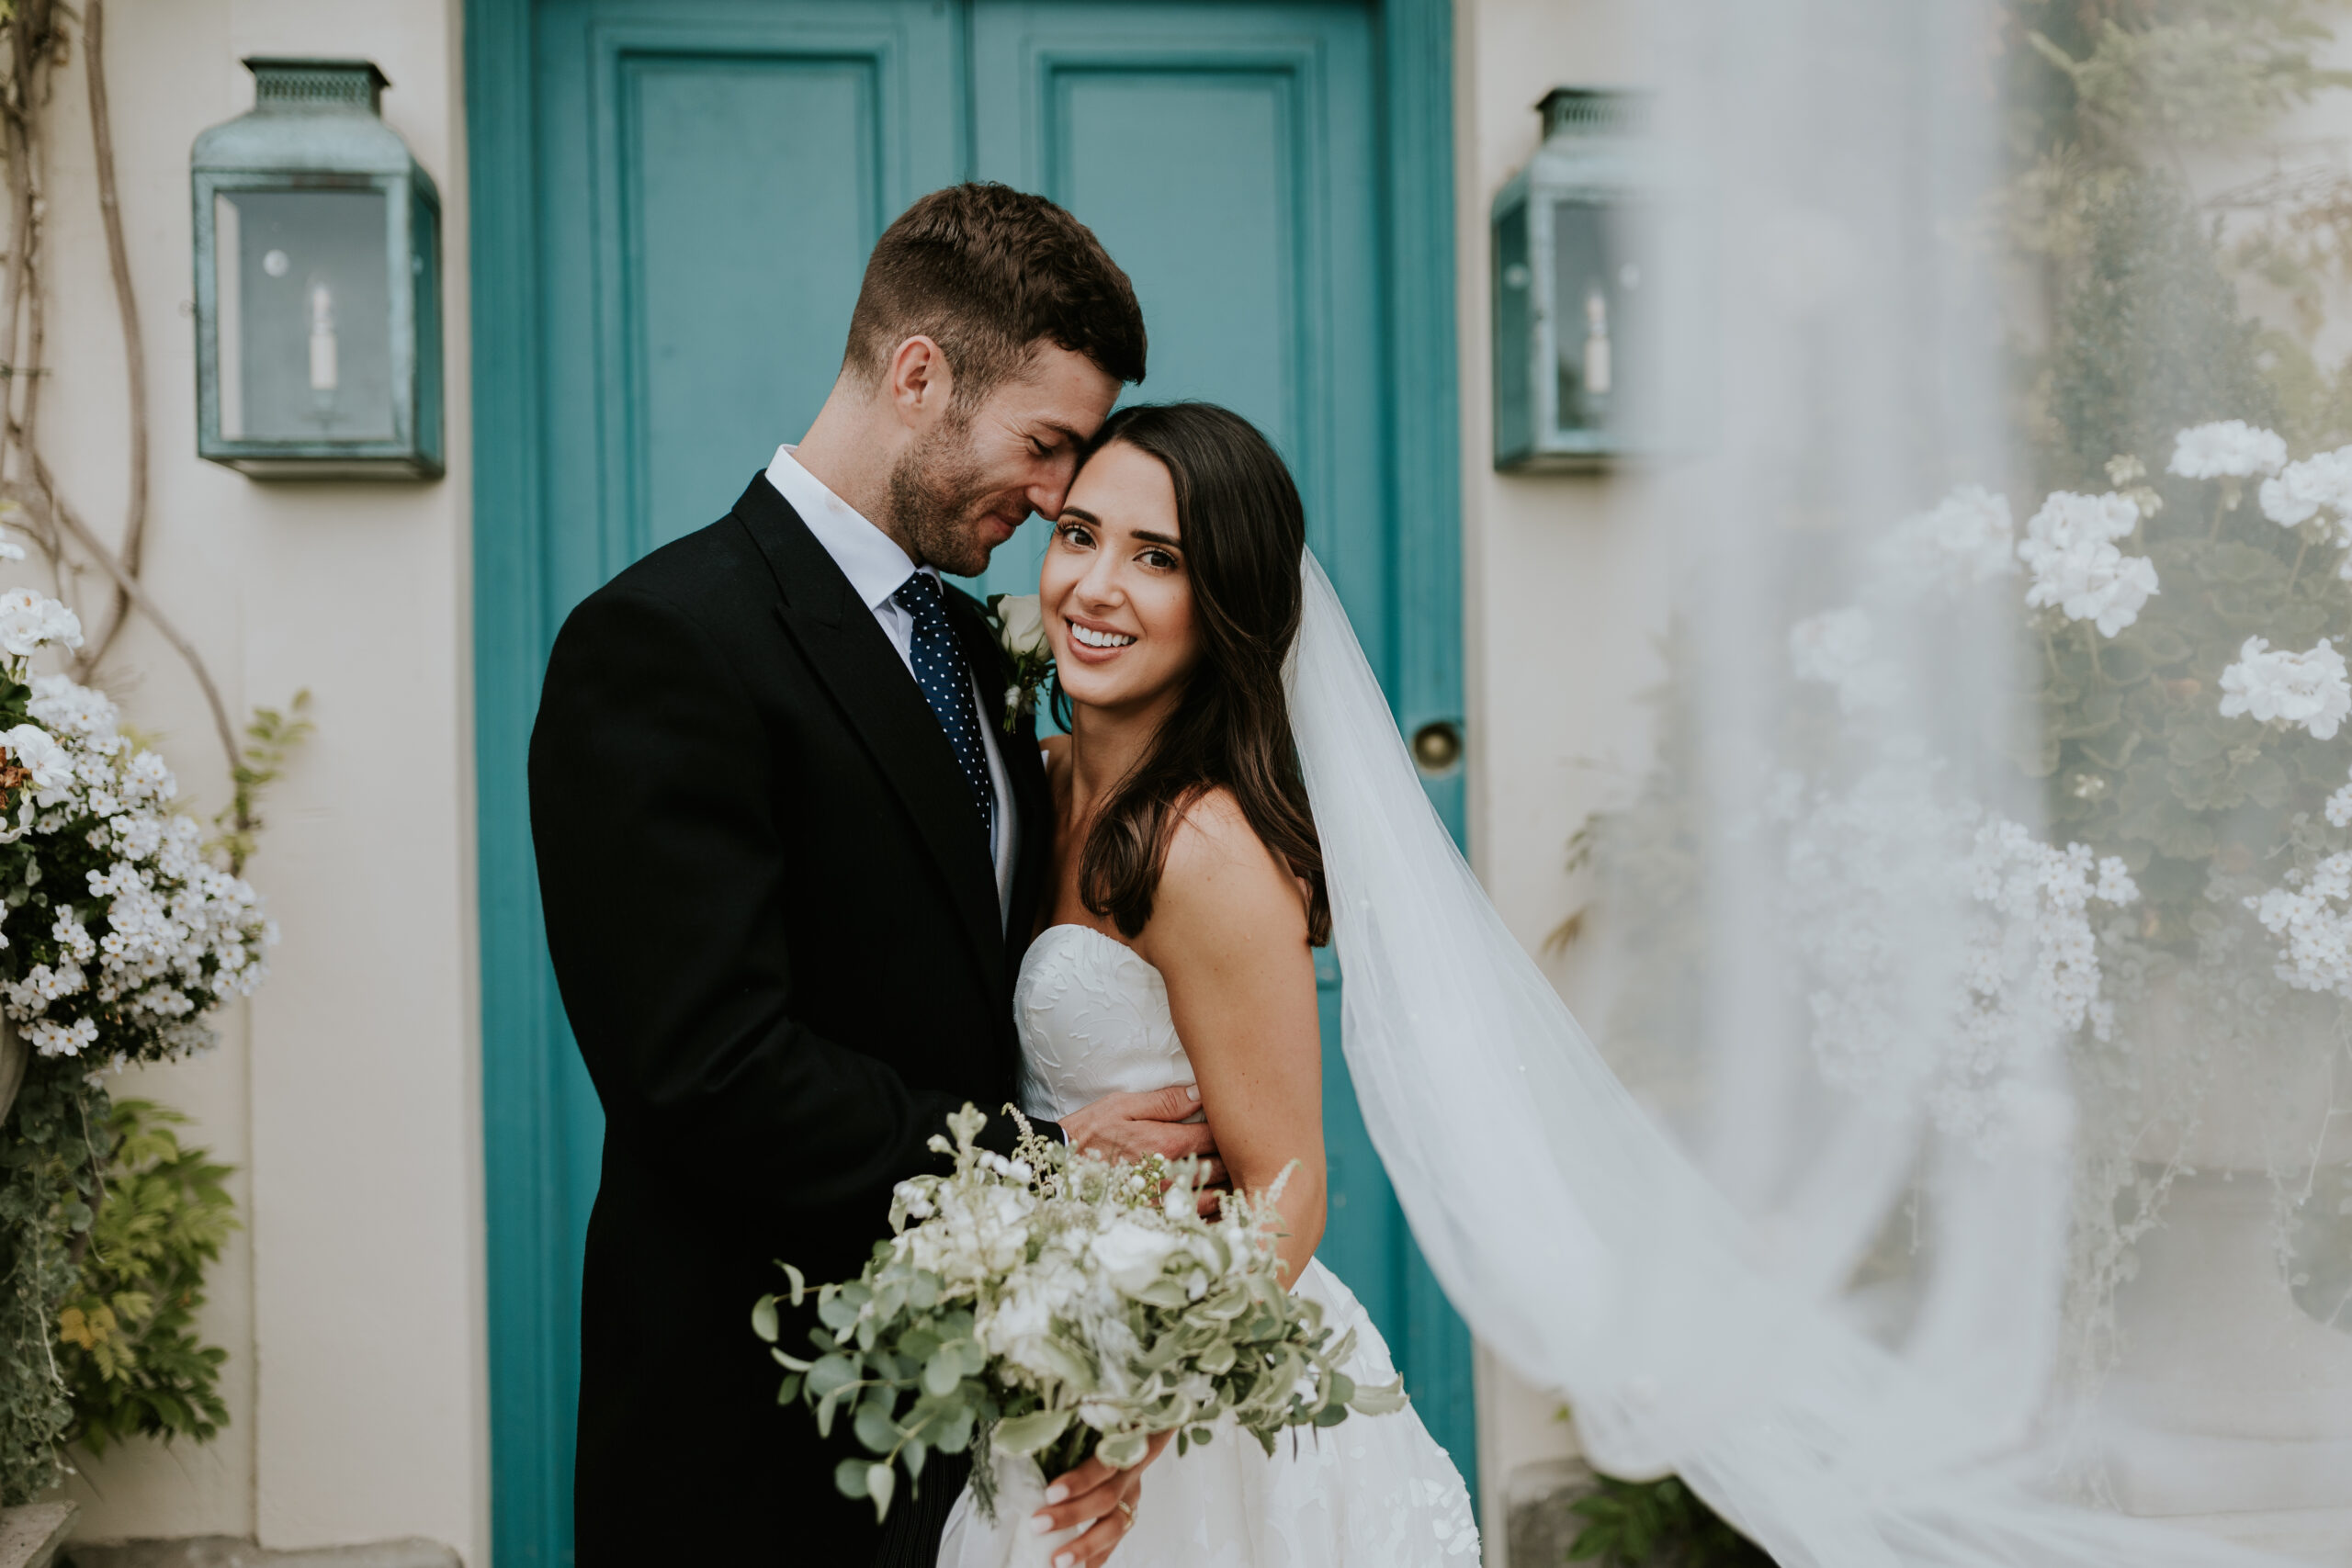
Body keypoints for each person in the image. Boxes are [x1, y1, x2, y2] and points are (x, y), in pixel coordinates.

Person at [527, 186, 1217, 1568]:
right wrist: (1041, 1167)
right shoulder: (663, 642)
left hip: (985, 1418)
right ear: (919, 375)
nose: (1052, 503)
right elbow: (704, 1067)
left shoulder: (970, 647)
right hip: (758, 1421)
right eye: (1044, 447)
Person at [938, 403, 1482, 1566]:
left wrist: (1148, 1404)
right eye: (1080, 535)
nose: (1094, 586)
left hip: (1187, 1392)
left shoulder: (1209, 856)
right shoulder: (1029, 782)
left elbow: (1287, 1188)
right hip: (1048, 1336)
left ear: (1223, 604)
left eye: (1158, 559)